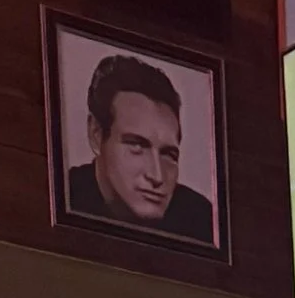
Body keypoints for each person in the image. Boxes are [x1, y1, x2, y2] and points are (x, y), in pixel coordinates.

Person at [67, 52, 217, 242]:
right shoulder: (64, 196)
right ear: (96, 134)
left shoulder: (202, 221)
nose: (157, 176)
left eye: (168, 155)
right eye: (137, 146)